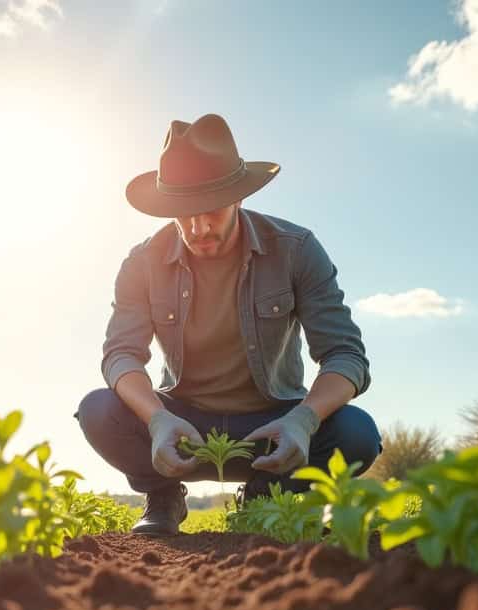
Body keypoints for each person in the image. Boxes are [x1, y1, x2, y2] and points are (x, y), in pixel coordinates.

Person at [76, 113, 381, 535]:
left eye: (211, 211)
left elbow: (346, 356)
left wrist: (304, 420)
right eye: (184, 214)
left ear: (238, 197)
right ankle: (163, 496)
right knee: (99, 410)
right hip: (182, 429)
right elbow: (120, 355)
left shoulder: (296, 250)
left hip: (275, 426)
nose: (198, 227)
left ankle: (264, 494)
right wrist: (156, 420)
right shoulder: (141, 263)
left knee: (356, 433)